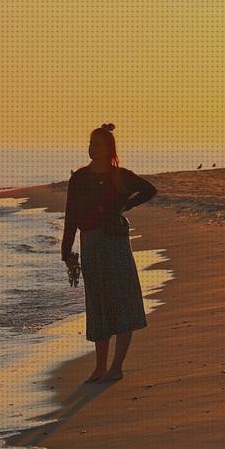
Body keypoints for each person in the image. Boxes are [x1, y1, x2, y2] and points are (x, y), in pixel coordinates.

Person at [60, 123, 158, 382]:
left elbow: (149, 190)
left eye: (97, 144)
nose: (92, 148)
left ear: (108, 148)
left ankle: (116, 367)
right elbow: (71, 215)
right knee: (98, 304)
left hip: (116, 243)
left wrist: (125, 205)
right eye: (90, 143)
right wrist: (66, 251)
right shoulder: (79, 177)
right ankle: (99, 367)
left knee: (124, 301)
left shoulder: (120, 175)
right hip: (90, 243)